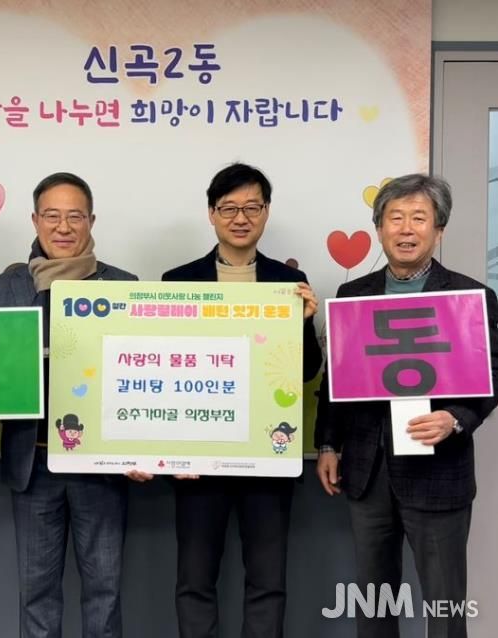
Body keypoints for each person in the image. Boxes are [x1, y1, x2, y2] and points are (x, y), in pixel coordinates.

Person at [0, 172, 137, 638]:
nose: (63, 227)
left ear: (91, 221)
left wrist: (142, 447)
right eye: (52, 216)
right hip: (34, 463)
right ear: (35, 220)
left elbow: (139, 377)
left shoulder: (124, 286)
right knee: (36, 596)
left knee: (105, 594)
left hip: (102, 466)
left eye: (74, 216)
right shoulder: (2, 290)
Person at [315, 173, 498, 638]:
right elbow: (336, 379)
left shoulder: (470, 297)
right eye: (395, 218)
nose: (406, 229)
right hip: (368, 471)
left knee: (444, 607)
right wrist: (328, 445)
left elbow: (492, 373)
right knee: (373, 604)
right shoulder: (352, 295)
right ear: (379, 229)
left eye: (419, 218)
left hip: (439, 471)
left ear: (439, 230)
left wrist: (456, 418)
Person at [162, 162, 322, 638]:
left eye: (252, 207)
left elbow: (306, 371)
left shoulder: (288, 282)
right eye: (229, 207)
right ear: (211, 214)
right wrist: (167, 450)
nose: (240, 218)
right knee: (194, 580)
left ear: (266, 212)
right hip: (198, 454)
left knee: (268, 582)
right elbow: (162, 371)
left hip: (266, 451)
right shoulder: (178, 282)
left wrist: (302, 324)